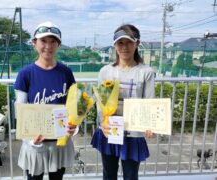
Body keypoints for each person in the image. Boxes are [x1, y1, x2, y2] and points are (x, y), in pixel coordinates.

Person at [91, 24, 156, 180]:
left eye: (129, 42)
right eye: (120, 43)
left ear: (137, 44)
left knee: (131, 175)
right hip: (109, 130)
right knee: (109, 174)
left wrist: (151, 125)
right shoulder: (105, 71)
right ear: (114, 45)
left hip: (133, 133)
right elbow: (101, 103)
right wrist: (103, 123)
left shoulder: (146, 72)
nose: (124, 47)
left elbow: (149, 102)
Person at [14, 21, 76, 180]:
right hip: (36, 140)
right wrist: (30, 137)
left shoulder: (66, 72)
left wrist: (72, 126)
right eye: (43, 41)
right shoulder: (25, 73)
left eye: (53, 41)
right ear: (34, 43)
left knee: (57, 178)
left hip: (59, 140)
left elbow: (72, 105)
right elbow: (20, 109)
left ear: (58, 45)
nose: (48, 45)